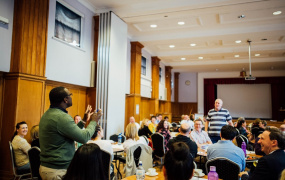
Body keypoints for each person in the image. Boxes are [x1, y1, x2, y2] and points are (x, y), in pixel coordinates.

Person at [39, 86, 102, 180]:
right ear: (65, 99)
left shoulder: (49, 114)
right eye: (70, 95)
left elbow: (70, 132)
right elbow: (84, 138)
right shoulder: (61, 117)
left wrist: (84, 120)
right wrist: (94, 121)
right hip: (57, 171)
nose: (71, 97)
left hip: (50, 168)